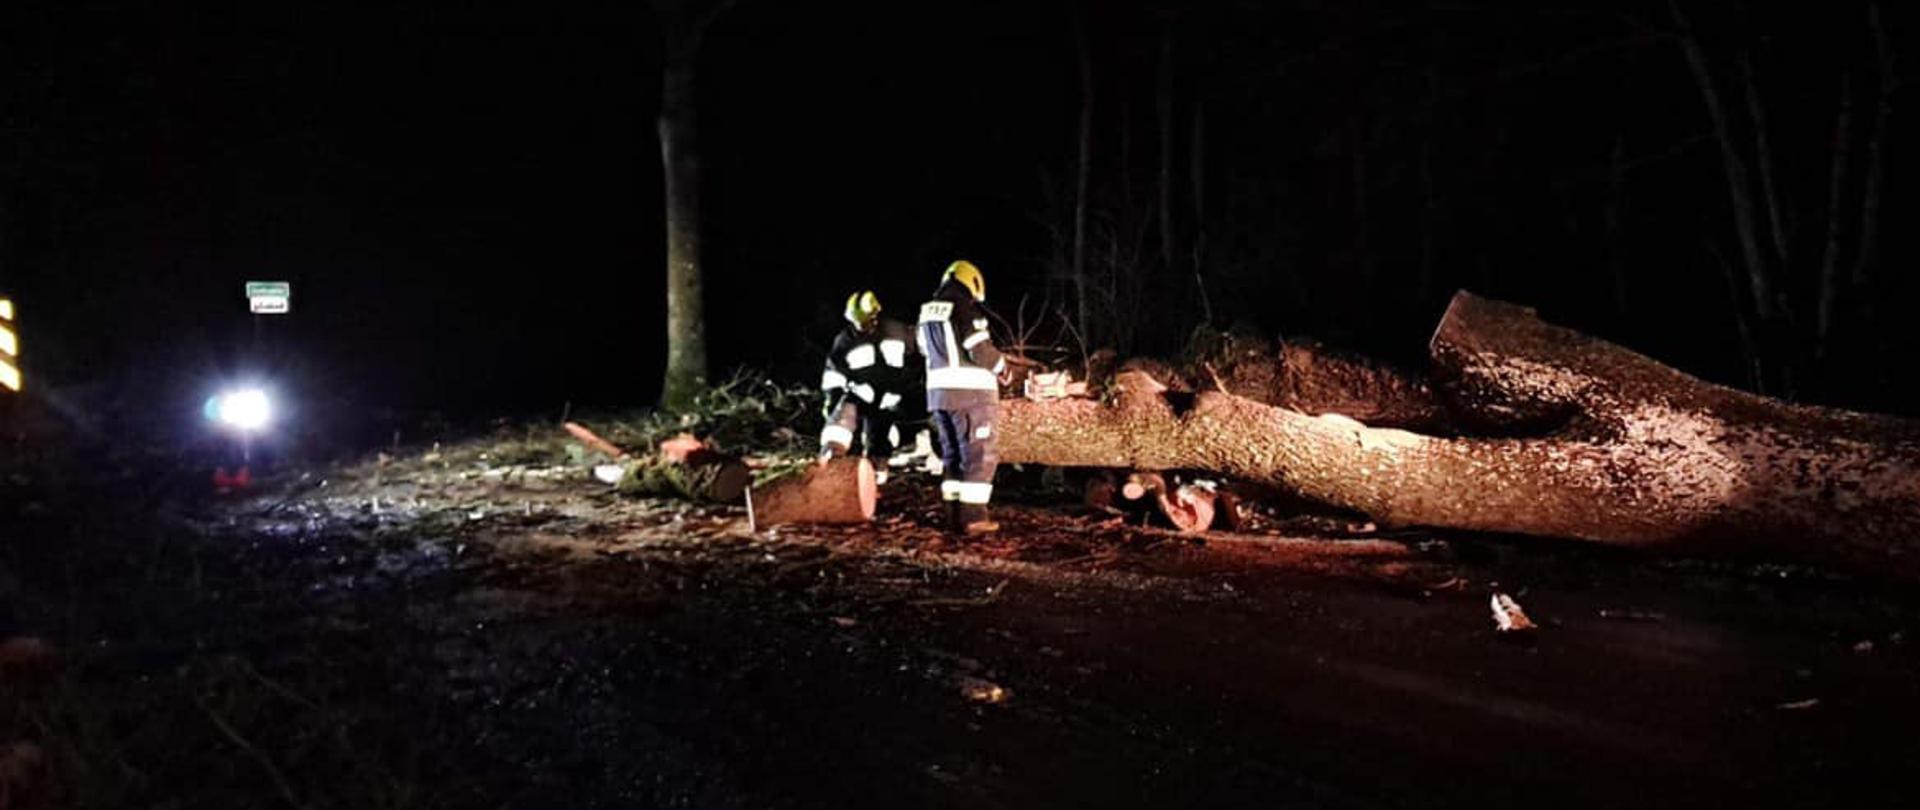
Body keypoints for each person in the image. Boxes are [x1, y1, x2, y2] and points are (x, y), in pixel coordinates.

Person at [916, 260, 1005, 534]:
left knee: (952, 455)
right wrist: (1004, 368)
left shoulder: (927, 312)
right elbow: (979, 350)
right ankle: (974, 517)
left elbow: (923, 349)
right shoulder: (965, 308)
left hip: (939, 396)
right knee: (979, 454)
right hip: (971, 395)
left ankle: (953, 514)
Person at [819, 290, 918, 482]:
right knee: (843, 417)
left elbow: (917, 361)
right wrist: (832, 400)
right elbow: (833, 373)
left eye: (864, 321)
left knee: (880, 434)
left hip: (891, 400)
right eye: (856, 322)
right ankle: (832, 457)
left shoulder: (899, 332)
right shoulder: (846, 340)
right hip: (860, 395)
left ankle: (875, 472)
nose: (860, 326)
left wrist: (905, 389)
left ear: (875, 315)